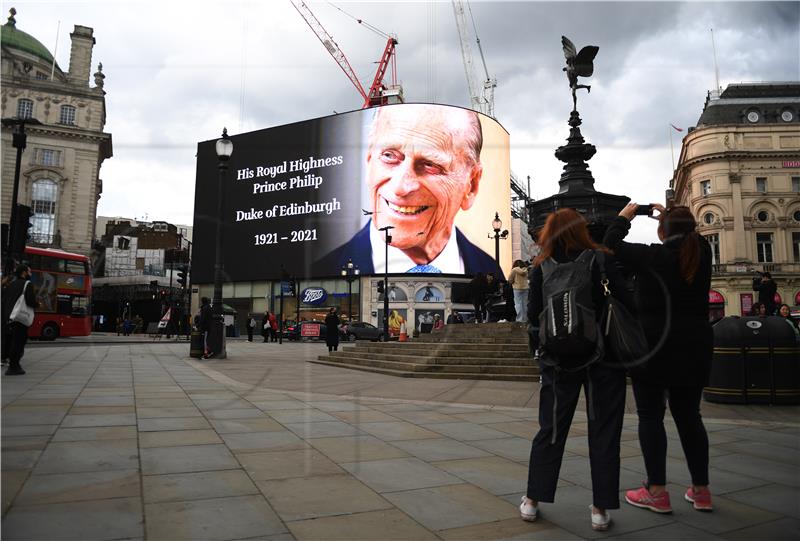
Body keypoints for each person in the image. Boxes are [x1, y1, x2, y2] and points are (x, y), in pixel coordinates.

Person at [522, 209, 633, 532]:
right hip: (603, 359)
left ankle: (532, 500)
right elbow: (626, 300)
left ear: (548, 233)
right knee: (604, 432)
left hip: (557, 360)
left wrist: (540, 353)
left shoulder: (541, 267)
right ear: (583, 230)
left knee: (551, 430)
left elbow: (532, 317)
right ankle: (600, 509)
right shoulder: (600, 259)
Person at [603, 203, 714, 514]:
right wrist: (670, 216)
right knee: (690, 417)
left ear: (662, 230)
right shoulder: (702, 253)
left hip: (654, 346)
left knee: (651, 416)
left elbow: (609, 246)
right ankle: (701, 491)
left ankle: (657, 491)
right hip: (694, 346)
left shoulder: (652, 256)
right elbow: (693, 235)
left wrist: (624, 216)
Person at [313, 104, 499, 276]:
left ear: (471, 185)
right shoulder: (322, 272)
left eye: (430, 165)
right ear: (369, 162)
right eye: (389, 156)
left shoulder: (493, 272)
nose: (400, 187)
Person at [3, 263, 38, 375]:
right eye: (29, 271)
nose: (30, 274)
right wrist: (38, 304)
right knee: (19, 342)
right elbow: (30, 301)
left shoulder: (11, 284)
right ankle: (14, 366)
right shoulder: (28, 284)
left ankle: (12, 364)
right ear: (24, 273)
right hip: (20, 318)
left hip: (9, 316)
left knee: (10, 341)